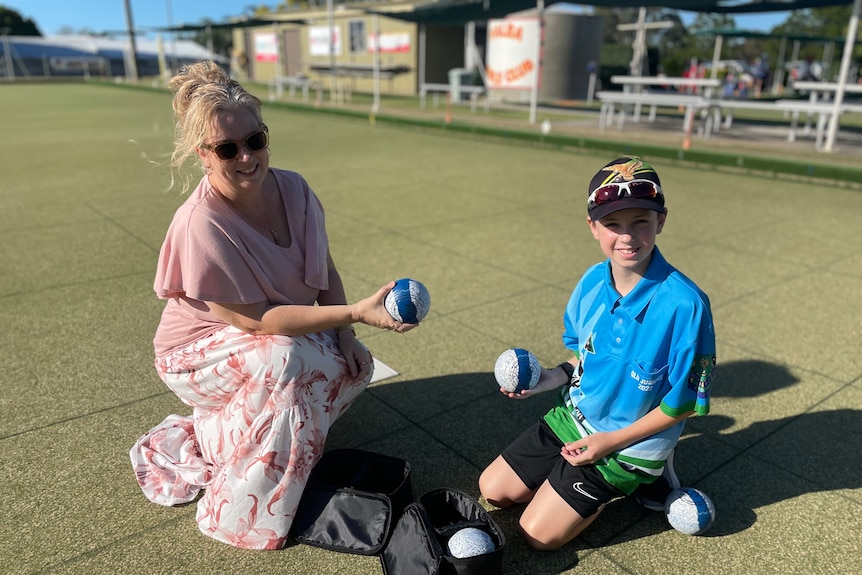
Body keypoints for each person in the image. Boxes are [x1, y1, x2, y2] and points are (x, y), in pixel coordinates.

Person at [129, 61, 415, 550]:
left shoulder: (296, 188)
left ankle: (226, 434)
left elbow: (324, 271)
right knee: (286, 360)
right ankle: (239, 514)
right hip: (194, 352)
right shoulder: (200, 223)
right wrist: (356, 315)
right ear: (204, 155)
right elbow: (261, 321)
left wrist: (347, 336)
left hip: (271, 335)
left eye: (254, 140)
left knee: (356, 366)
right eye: (227, 148)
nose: (246, 156)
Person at [478, 156, 716, 550]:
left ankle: (631, 483)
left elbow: (683, 405)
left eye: (640, 220)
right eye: (612, 224)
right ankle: (566, 484)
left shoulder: (686, 306)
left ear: (661, 221)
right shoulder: (591, 281)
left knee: (537, 537)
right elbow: (581, 359)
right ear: (593, 227)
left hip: (630, 445)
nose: (627, 236)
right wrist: (548, 378)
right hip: (576, 417)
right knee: (494, 491)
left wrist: (609, 442)